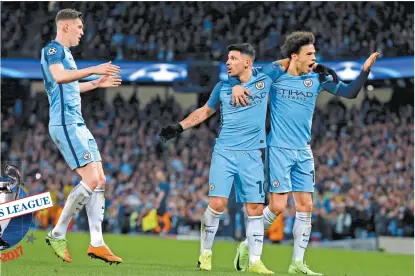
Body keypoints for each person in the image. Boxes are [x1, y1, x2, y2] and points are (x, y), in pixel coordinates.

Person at [231, 31, 379, 275]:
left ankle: (297, 263)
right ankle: (248, 245)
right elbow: (247, 76)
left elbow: (350, 92)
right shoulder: (276, 76)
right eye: (309, 53)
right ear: (294, 56)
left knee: (306, 206)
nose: (314, 57)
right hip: (279, 148)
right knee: (278, 206)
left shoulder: (318, 79)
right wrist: (237, 86)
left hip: (303, 151)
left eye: (315, 53)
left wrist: (364, 71)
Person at [159, 43, 287, 274]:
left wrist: (314, 65)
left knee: (256, 208)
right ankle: (205, 253)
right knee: (217, 204)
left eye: (233, 58)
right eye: (227, 58)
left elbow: (289, 61)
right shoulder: (223, 87)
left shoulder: (265, 78)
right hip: (224, 153)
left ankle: (255, 260)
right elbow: (204, 111)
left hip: (252, 155)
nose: (227, 62)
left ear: (247, 62)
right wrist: (179, 127)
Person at [41, 8, 122, 264]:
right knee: (92, 178)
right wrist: (93, 70)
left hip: (78, 123)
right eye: (79, 27)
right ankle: (57, 232)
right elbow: (59, 77)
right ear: (65, 26)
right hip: (65, 123)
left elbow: (71, 87)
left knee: (100, 179)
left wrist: (96, 83)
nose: (82, 32)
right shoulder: (53, 50)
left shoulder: (67, 55)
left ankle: (97, 243)